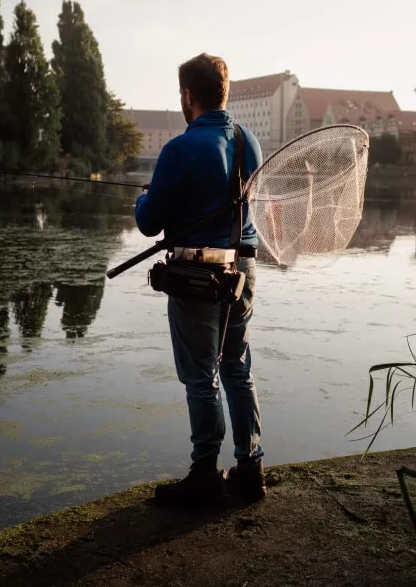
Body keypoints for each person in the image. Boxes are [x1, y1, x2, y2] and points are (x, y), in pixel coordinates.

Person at [134, 53, 266, 508]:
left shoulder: (178, 150)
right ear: (223, 93)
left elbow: (150, 223)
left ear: (188, 96)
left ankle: (204, 476)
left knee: (200, 378)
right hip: (243, 272)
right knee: (237, 368)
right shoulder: (250, 142)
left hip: (197, 276)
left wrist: (143, 198)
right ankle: (250, 469)